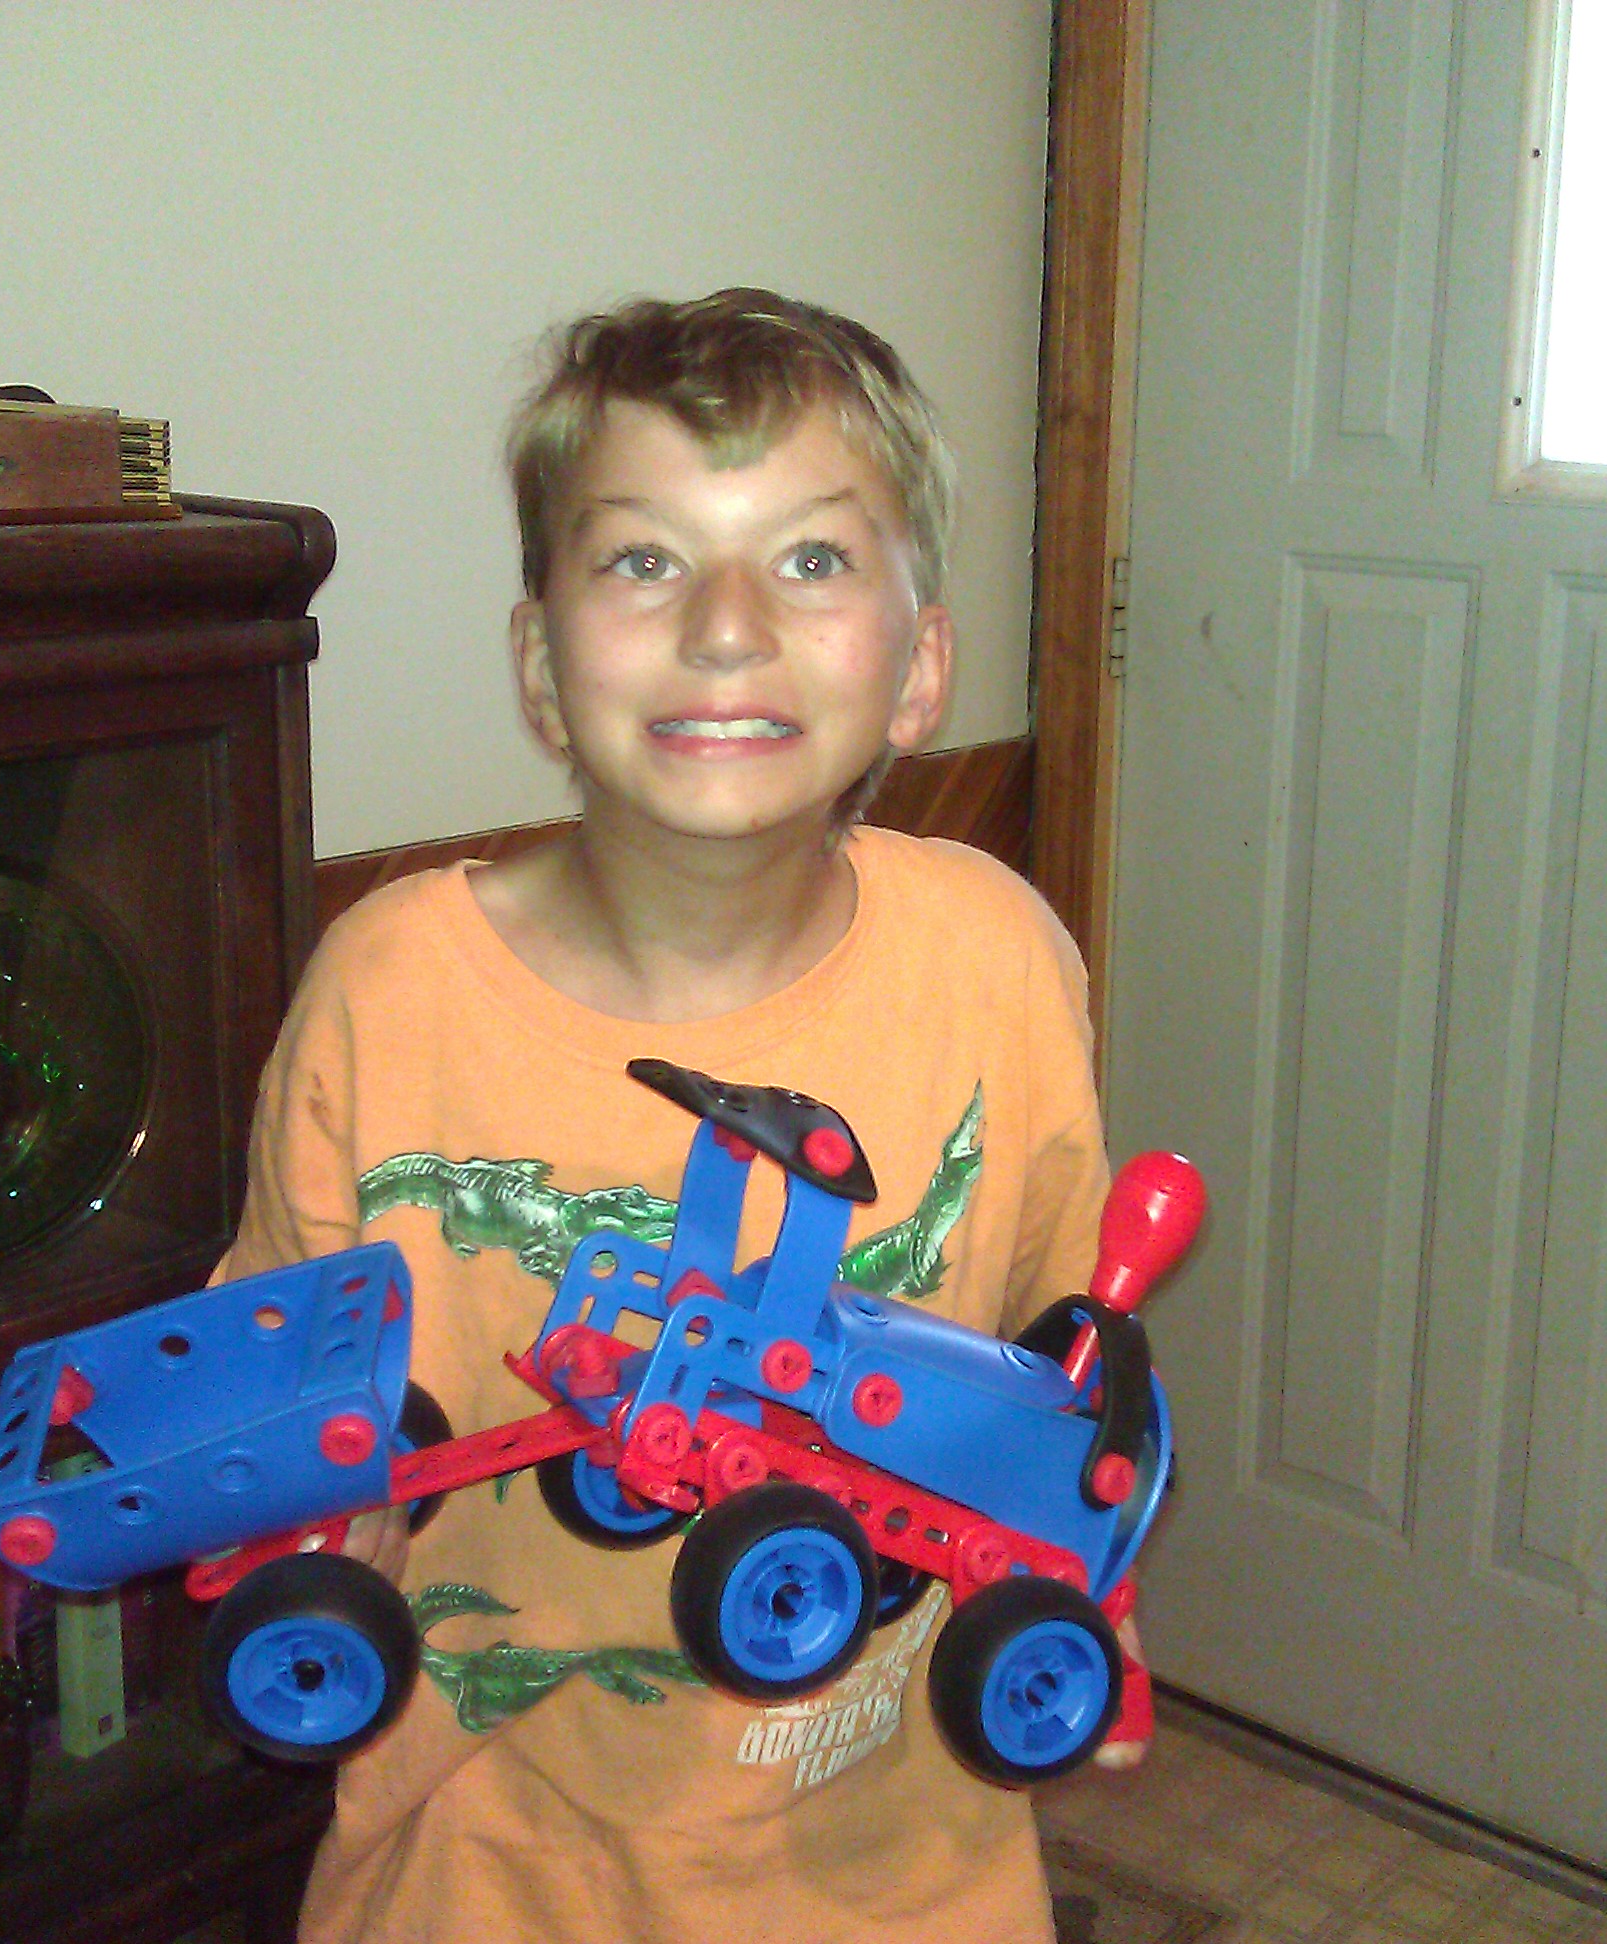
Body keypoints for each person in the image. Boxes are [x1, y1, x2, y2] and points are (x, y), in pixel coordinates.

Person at [216, 288, 1141, 1943]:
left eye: (812, 557)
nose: (725, 625)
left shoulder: (998, 959)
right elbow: (288, 1398)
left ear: (922, 669)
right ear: (541, 668)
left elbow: (1054, 1353)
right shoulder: (389, 989)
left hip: (905, 1876)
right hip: (483, 1875)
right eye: (644, 558)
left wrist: (1084, 1589)